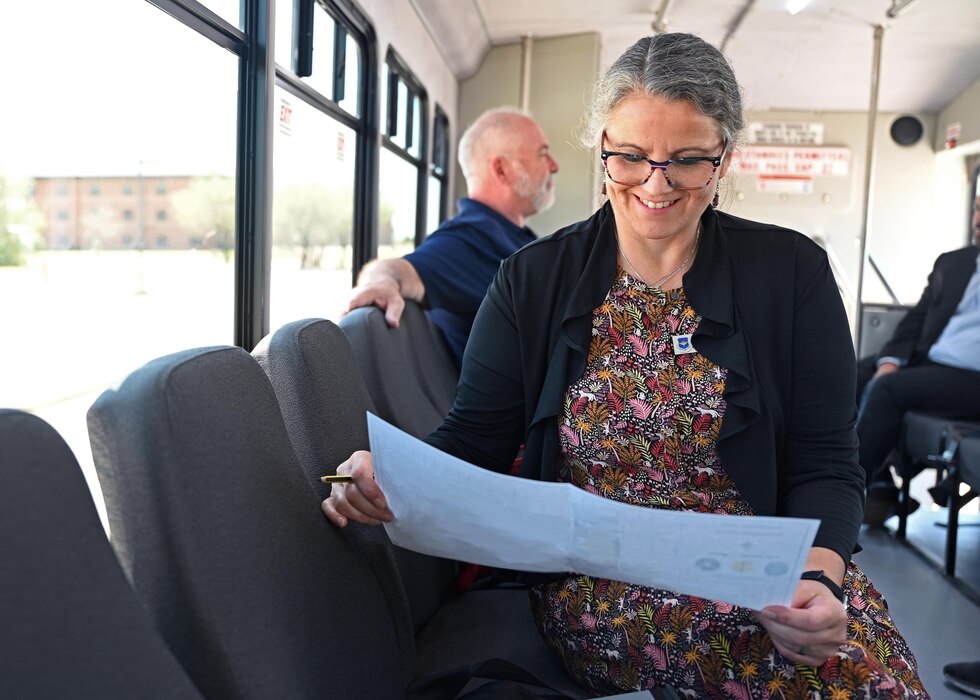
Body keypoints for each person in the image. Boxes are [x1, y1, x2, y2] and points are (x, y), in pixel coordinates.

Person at [324, 33, 926, 697]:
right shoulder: (531, 281)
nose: (656, 185)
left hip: (769, 571)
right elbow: (473, 442)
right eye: (631, 158)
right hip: (606, 589)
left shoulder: (794, 275)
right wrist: (396, 476)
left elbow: (826, 464)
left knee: (867, 670)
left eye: (688, 161)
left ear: (723, 157)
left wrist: (817, 580)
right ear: (601, 146)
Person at [345, 107, 559, 365]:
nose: (554, 166)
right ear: (502, 170)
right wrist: (382, 284)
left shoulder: (514, 235)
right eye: (543, 154)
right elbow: (398, 270)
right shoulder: (469, 238)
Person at [859, 194, 980, 527]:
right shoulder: (954, 264)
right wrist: (891, 360)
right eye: (978, 209)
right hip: (933, 362)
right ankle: (880, 484)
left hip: (972, 378)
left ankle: (847, 497)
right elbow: (916, 319)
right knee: (854, 375)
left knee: (889, 392)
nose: (978, 219)